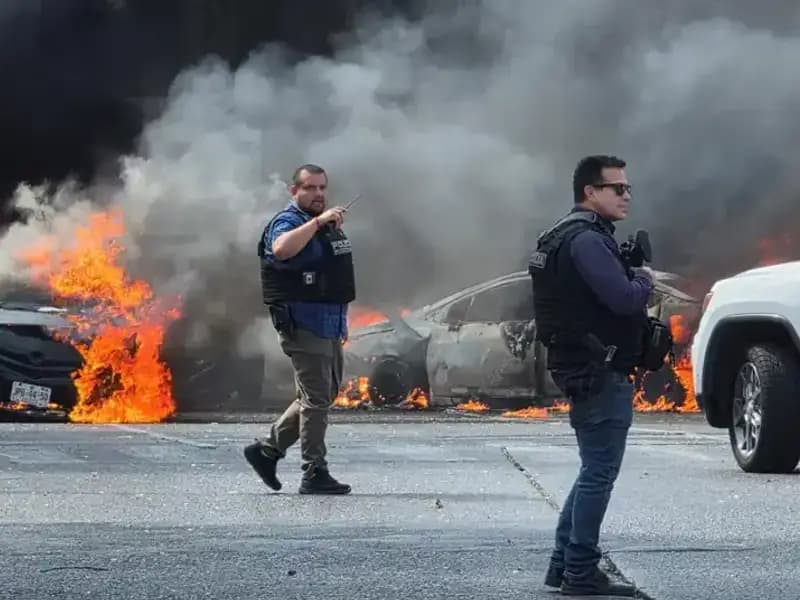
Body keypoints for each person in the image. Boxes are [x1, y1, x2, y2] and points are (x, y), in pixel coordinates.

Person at [529, 155, 655, 596]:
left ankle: (564, 566)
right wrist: (644, 278)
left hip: (583, 367)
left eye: (627, 187)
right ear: (590, 192)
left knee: (591, 470)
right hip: (599, 371)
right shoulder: (585, 240)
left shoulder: (562, 235)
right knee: (599, 472)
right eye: (616, 188)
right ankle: (580, 572)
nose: (626, 195)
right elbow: (623, 299)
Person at [244, 163, 354, 495]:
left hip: (328, 324)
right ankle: (313, 472)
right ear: (295, 192)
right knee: (317, 398)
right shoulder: (289, 222)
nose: (318, 194)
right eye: (310, 188)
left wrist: (342, 321)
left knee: (320, 395)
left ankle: (267, 451)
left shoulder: (325, 226)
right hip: (303, 324)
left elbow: (335, 278)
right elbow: (281, 249)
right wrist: (319, 222)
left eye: (322, 188)